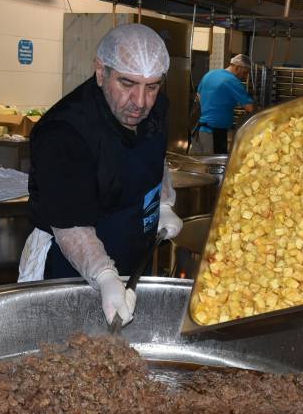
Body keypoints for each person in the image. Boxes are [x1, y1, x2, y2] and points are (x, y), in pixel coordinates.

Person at [19, 24, 183, 326]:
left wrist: (163, 204)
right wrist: (106, 277)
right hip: (70, 267)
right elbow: (71, 226)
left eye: (152, 86)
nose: (140, 101)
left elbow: (155, 157)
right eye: (127, 84)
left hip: (132, 255)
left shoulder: (155, 106)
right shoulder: (65, 133)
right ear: (100, 71)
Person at [190, 53, 255, 155]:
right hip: (214, 135)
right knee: (213, 168)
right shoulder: (232, 81)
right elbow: (251, 109)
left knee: (198, 166)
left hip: (199, 132)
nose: (245, 77)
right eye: (245, 73)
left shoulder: (209, 74)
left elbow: (199, 98)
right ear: (237, 68)